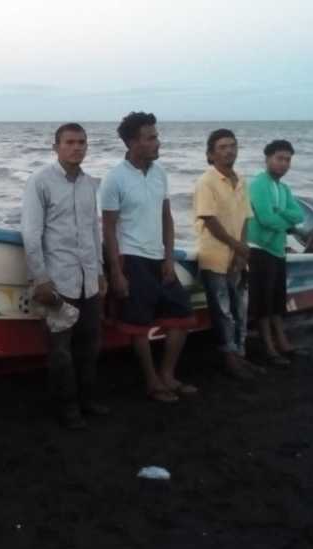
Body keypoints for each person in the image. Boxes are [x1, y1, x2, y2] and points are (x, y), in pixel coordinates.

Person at [100, 112, 196, 403]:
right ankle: (152, 382)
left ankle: (167, 374)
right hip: (132, 258)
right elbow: (108, 228)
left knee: (182, 315)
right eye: (151, 137)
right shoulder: (114, 179)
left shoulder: (160, 173)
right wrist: (116, 272)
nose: (157, 142)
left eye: (156, 136)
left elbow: (167, 218)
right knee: (138, 324)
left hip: (159, 258)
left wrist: (169, 258)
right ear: (132, 142)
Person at [21, 123, 108, 429]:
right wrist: (41, 278)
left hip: (88, 280)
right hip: (58, 281)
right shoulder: (40, 181)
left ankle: (88, 399)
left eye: (82, 142)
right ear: (55, 146)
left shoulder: (88, 184)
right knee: (61, 351)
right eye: (70, 142)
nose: (77, 147)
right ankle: (68, 409)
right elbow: (31, 234)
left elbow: (93, 232)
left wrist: (99, 272)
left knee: (90, 345)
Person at [192, 129, 261, 380]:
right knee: (222, 311)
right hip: (214, 256)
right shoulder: (206, 182)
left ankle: (241, 355)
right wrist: (237, 246)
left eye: (232, 145)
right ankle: (229, 360)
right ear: (211, 154)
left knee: (239, 308)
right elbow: (210, 220)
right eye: (222, 147)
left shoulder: (241, 180)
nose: (229, 150)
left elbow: (245, 219)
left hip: (237, 256)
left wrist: (242, 251)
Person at [245, 140, 306, 366]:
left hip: (278, 250)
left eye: (288, 160)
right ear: (267, 159)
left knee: (277, 299)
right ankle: (268, 346)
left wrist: (279, 213)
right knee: (263, 301)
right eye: (279, 158)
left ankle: (281, 338)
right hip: (260, 249)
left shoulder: (284, 188)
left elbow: (299, 214)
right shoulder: (259, 184)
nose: (284, 164)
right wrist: (282, 216)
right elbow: (265, 219)